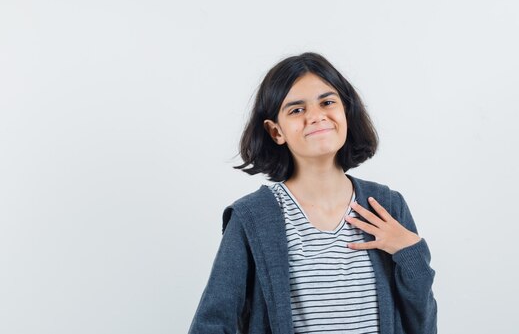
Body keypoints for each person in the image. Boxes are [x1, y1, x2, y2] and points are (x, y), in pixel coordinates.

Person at [188, 53, 438, 334]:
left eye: (327, 102)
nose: (316, 116)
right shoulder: (253, 218)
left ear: (346, 112)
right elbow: (212, 323)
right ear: (275, 131)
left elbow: (422, 325)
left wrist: (411, 253)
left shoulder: (386, 205)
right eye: (296, 110)